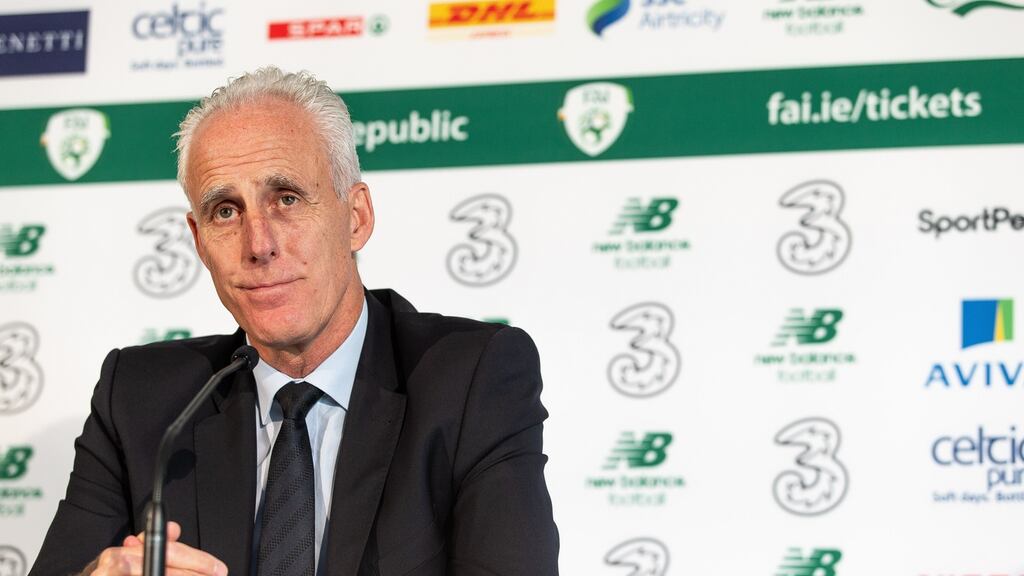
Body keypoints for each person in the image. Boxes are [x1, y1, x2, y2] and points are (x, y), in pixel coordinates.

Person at [30, 67, 559, 576]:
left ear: (356, 218)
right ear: (198, 241)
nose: (258, 244)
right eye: (225, 212)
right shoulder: (143, 403)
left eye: (286, 199)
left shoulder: (472, 380)